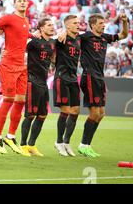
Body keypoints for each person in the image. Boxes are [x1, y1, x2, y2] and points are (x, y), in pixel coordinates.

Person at [77, 13, 128, 157]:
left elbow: (123, 34)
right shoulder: (85, 36)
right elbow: (70, 36)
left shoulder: (105, 37)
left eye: (104, 22)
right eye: (100, 23)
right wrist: (63, 32)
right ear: (93, 25)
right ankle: (83, 145)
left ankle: (87, 145)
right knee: (95, 113)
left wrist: (124, 21)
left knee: (101, 114)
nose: (103, 25)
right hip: (89, 77)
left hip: (99, 78)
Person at [0, 0, 34, 156]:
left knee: (21, 100)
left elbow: (21, 36)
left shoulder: (25, 21)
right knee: (8, 99)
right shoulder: (9, 18)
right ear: (14, 4)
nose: (23, 3)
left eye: (25, 1)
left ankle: (10, 136)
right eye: (20, 1)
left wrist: (32, 35)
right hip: (9, 63)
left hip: (22, 65)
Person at [20, 18, 56, 157]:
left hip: (43, 82)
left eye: (53, 25)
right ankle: (23, 145)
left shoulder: (52, 43)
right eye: (49, 25)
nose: (52, 27)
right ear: (41, 28)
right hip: (32, 81)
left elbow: (53, 58)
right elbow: (20, 48)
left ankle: (31, 145)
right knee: (30, 115)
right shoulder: (34, 42)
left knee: (42, 115)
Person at [53, 14, 81, 157]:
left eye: (79, 22)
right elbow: (51, 45)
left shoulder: (78, 39)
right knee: (65, 111)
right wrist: (60, 33)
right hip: (61, 77)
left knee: (75, 111)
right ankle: (58, 141)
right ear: (67, 25)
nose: (78, 24)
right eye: (75, 23)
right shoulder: (61, 39)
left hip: (73, 78)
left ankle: (66, 142)